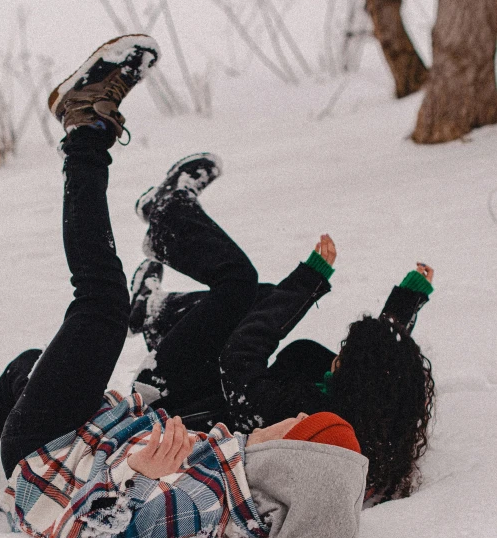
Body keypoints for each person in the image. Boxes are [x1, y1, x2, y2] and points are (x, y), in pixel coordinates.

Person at [0, 35, 369, 538]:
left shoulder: (209, 501)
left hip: (48, 454)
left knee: (100, 304)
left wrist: (133, 477)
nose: (295, 417)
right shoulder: (231, 473)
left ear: (297, 460)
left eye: (304, 425)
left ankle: (86, 124)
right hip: (79, 433)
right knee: (38, 364)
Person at [124, 155, 436, 502]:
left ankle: (167, 209)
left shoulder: (303, 416)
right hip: (203, 386)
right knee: (266, 300)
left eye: (345, 354)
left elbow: (240, 356)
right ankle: (153, 312)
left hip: (169, 397)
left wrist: (308, 280)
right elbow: (385, 368)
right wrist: (401, 309)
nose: (339, 354)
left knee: (239, 284)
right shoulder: (366, 414)